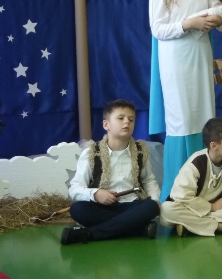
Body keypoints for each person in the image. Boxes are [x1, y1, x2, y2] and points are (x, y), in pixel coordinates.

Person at [148, 0, 222, 202]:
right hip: (175, 59)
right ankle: (176, 192)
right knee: (182, 120)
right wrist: (189, 24)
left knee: (203, 116)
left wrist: (219, 19)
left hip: (200, 56)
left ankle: (204, 188)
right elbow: (158, 29)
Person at [61, 99, 161, 245]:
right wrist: (96, 194)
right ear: (106, 124)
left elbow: (148, 180)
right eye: (121, 118)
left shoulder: (141, 151)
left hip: (132, 207)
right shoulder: (91, 152)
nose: (126, 122)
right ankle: (138, 228)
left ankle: (88, 234)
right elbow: (75, 188)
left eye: (131, 119)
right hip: (103, 209)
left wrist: (156, 200)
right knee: (77, 209)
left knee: (151, 207)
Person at [160, 117, 222, 236]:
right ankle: (221, 227)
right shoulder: (196, 162)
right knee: (167, 210)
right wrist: (211, 206)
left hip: (216, 210)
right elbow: (181, 196)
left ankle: (190, 226)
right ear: (214, 145)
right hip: (193, 208)